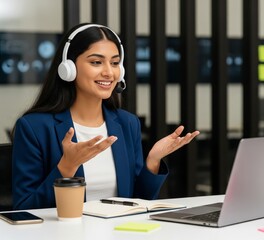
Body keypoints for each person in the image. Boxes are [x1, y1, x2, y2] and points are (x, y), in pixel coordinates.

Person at [11, 23, 200, 210]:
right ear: (68, 68)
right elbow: (24, 207)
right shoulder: (34, 127)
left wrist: (152, 161)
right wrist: (66, 167)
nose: (109, 72)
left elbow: (138, 202)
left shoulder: (127, 123)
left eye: (115, 63)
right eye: (96, 62)